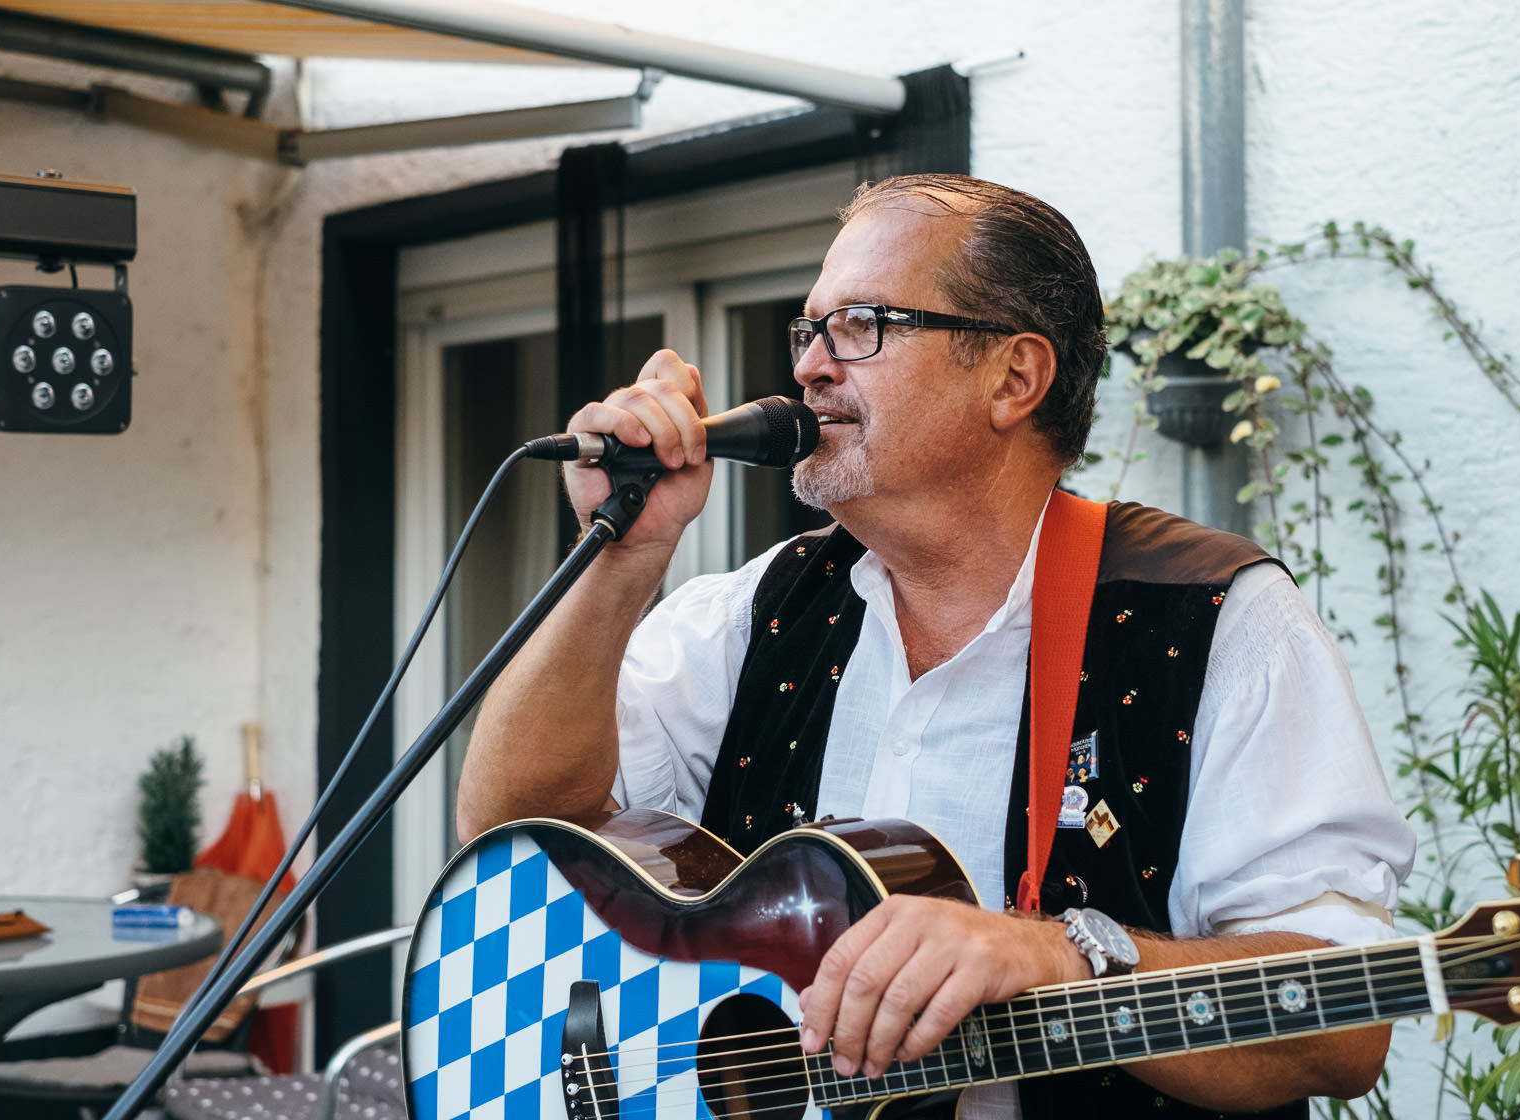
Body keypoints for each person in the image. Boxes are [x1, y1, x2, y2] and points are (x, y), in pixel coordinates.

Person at [457, 173, 1415, 1118]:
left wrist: (1060, 955)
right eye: (809, 330)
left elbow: (1340, 1027)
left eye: (862, 325)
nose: (809, 367)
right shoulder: (752, 614)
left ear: (1014, 377)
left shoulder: (1214, 620)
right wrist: (621, 560)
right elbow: (514, 841)